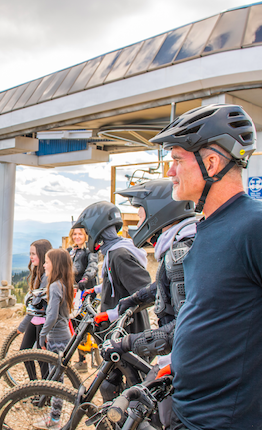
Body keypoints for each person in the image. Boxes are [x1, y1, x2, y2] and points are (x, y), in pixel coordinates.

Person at [149, 103, 262, 430]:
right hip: (186, 414)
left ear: (211, 162)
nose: (170, 172)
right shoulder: (207, 229)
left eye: (177, 160)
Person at [98, 179, 196, 429]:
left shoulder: (181, 251)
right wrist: (133, 300)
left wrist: (128, 342)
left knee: (158, 417)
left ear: (158, 213)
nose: (138, 224)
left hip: (187, 362)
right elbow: (163, 286)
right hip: (182, 358)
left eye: (141, 216)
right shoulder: (178, 245)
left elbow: (185, 328)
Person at [72, 201, 151, 401]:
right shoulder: (112, 253)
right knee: (111, 384)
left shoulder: (119, 255)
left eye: (88, 233)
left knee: (128, 390)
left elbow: (144, 292)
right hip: (118, 331)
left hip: (128, 332)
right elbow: (115, 282)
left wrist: (111, 314)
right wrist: (95, 289)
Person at [33, 248, 75, 429]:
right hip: (63, 336)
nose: (44, 264)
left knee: (56, 382)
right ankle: (54, 418)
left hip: (57, 338)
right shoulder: (64, 283)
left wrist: (42, 335)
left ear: (55, 265)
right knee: (57, 379)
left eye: (47, 262)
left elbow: (51, 316)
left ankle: (55, 421)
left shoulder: (55, 285)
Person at [16, 239, 52, 381]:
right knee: (24, 352)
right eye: (30, 254)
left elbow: (35, 303)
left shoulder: (46, 277)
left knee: (41, 358)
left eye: (33, 254)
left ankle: (44, 391)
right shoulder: (37, 272)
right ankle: (34, 385)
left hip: (42, 319)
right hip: (35, 318)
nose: (31, 257)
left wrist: (23, 325)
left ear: (42, 255)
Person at [67, 227, 98, 372]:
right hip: (73, 293)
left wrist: (85, 278)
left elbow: (92, 266)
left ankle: (98, 354)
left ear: (86, 236)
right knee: (75, 323)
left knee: (87, 325)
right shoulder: (70, 251)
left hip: (86, 292)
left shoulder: (89, 252)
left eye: (80, 234)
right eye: (75, 234)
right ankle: (82, 360)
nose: (77, 236)